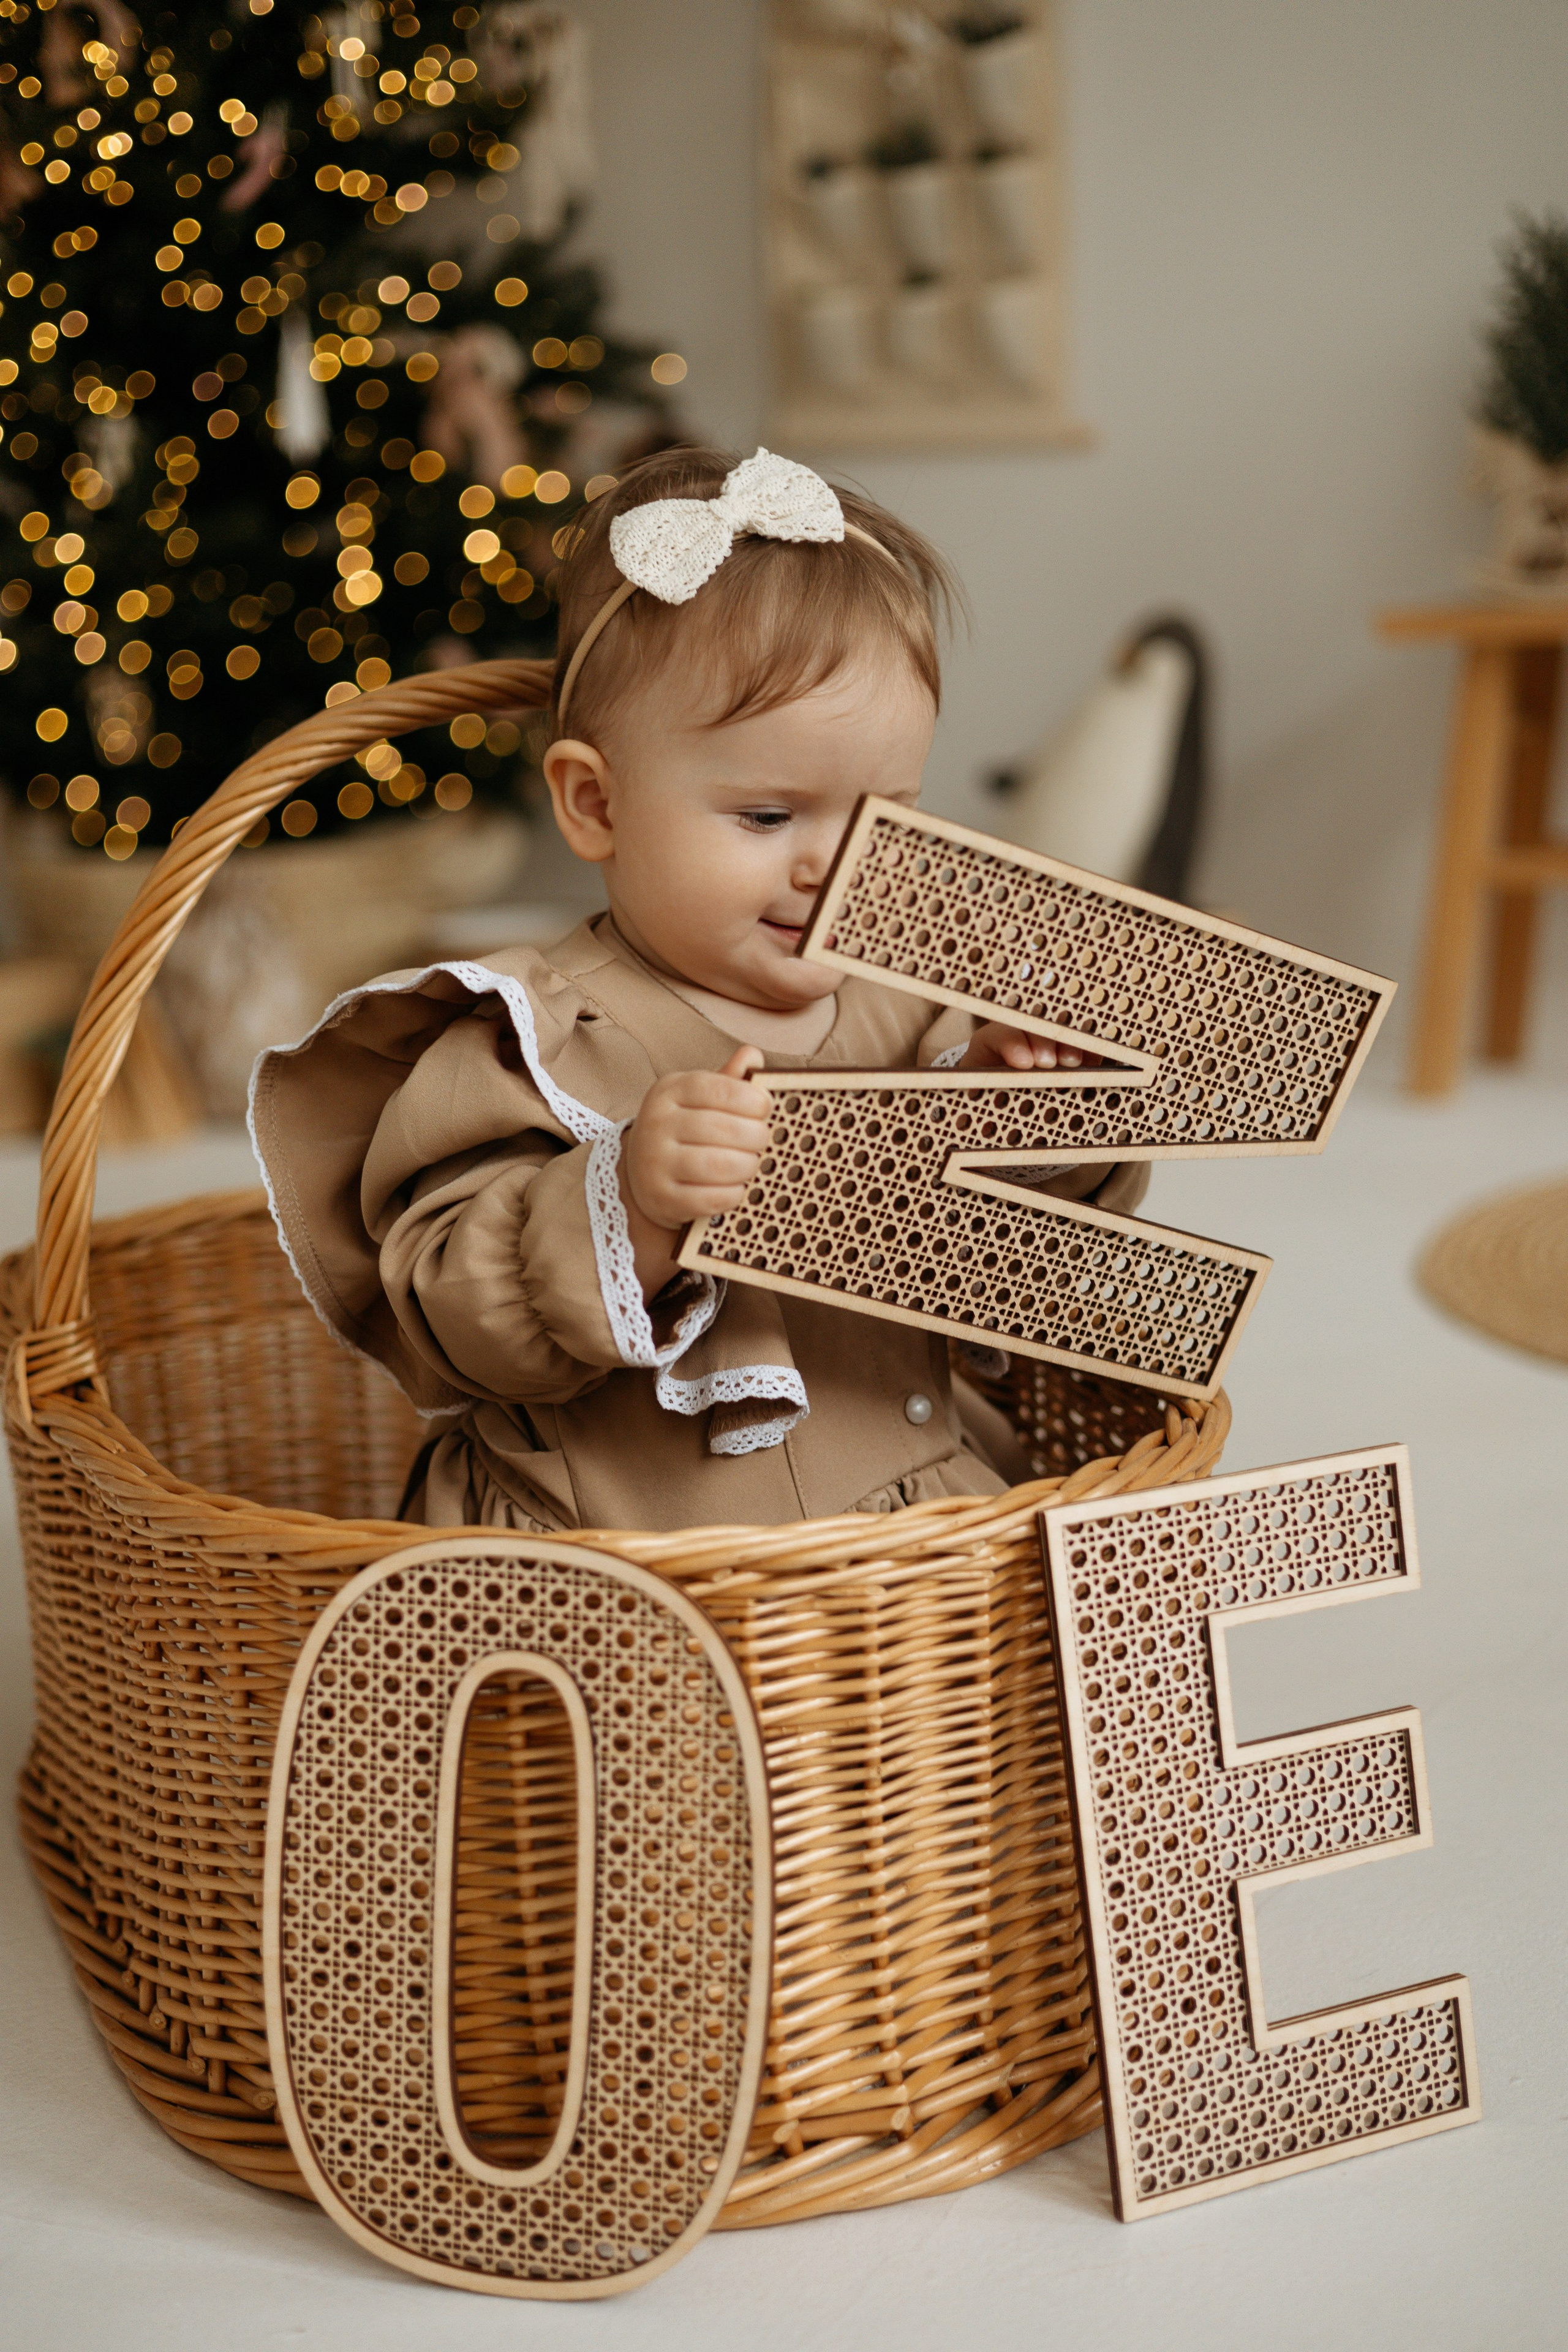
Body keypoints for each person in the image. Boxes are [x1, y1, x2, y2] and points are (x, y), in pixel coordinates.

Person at [249, 447, 1149, 1534]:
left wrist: (1028, 1102)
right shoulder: (531, 1036)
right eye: (768, 817)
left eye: (886, 814)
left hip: (905, 1525)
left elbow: (1012, 1262)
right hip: (640, 1549)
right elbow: (452, 1317)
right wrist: (627, 1200)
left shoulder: (917, 1012)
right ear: (597, 806)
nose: (833, 865)